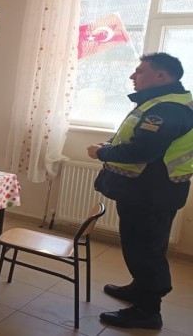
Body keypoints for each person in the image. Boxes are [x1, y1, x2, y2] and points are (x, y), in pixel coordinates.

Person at [88, 52, 193, 330]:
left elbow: (142, 150)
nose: (132, 76)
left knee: (146, 251)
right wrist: (110, 144)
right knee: (140, 246)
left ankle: (148, 311)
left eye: (140, 71)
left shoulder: (168, 109)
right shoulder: (163, 101)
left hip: (151, 194)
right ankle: (139, 289)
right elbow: (135, 137)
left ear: (161, 75)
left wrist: (101, 153)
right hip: (148, 191)